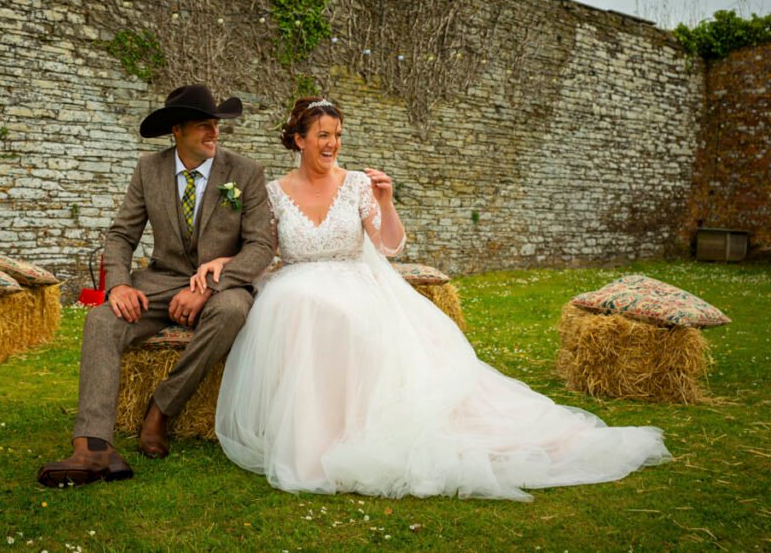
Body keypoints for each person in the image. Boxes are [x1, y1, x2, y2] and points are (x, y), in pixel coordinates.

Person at [193, 96, 671, 501]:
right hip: (298, 282)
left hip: (357, 281)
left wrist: (385, 201)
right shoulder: (274, 193)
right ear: (298, 140)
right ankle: (314, 439)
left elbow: (388, 247)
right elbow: (260, 247)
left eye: (337, 134)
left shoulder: (358, 184)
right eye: (322, 135)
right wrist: (222, 262)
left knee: (352, 321)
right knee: (302, 304)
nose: (332, 144)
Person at [37, 84, 275, 488]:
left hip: (223, 284)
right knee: (102, 320)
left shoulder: (245, 173)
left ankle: (161, 410)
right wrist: (118, 287)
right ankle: (92, 445)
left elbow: (261, 245)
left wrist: (210, 285)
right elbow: (121, 236)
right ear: (176, 131)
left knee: (233, 311)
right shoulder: (149, 169)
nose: (215, 133)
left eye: (217, 125)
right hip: (160, 281)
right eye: (204, 126)